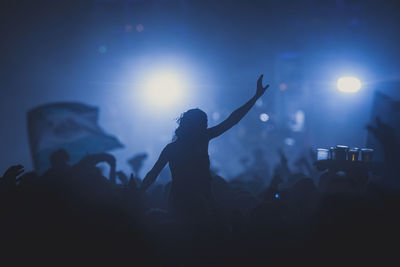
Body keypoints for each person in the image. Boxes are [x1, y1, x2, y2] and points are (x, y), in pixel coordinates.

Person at [140, 75, 270, 221]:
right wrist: (136, 193)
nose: (206, 125)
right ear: (192, 124)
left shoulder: (192, 142)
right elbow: (153, 174)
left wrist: (255, 97)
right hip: (184, 204)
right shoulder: (187, 144)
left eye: (206, 122)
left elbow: (233, 120)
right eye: (203, 122)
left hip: (199, 202)